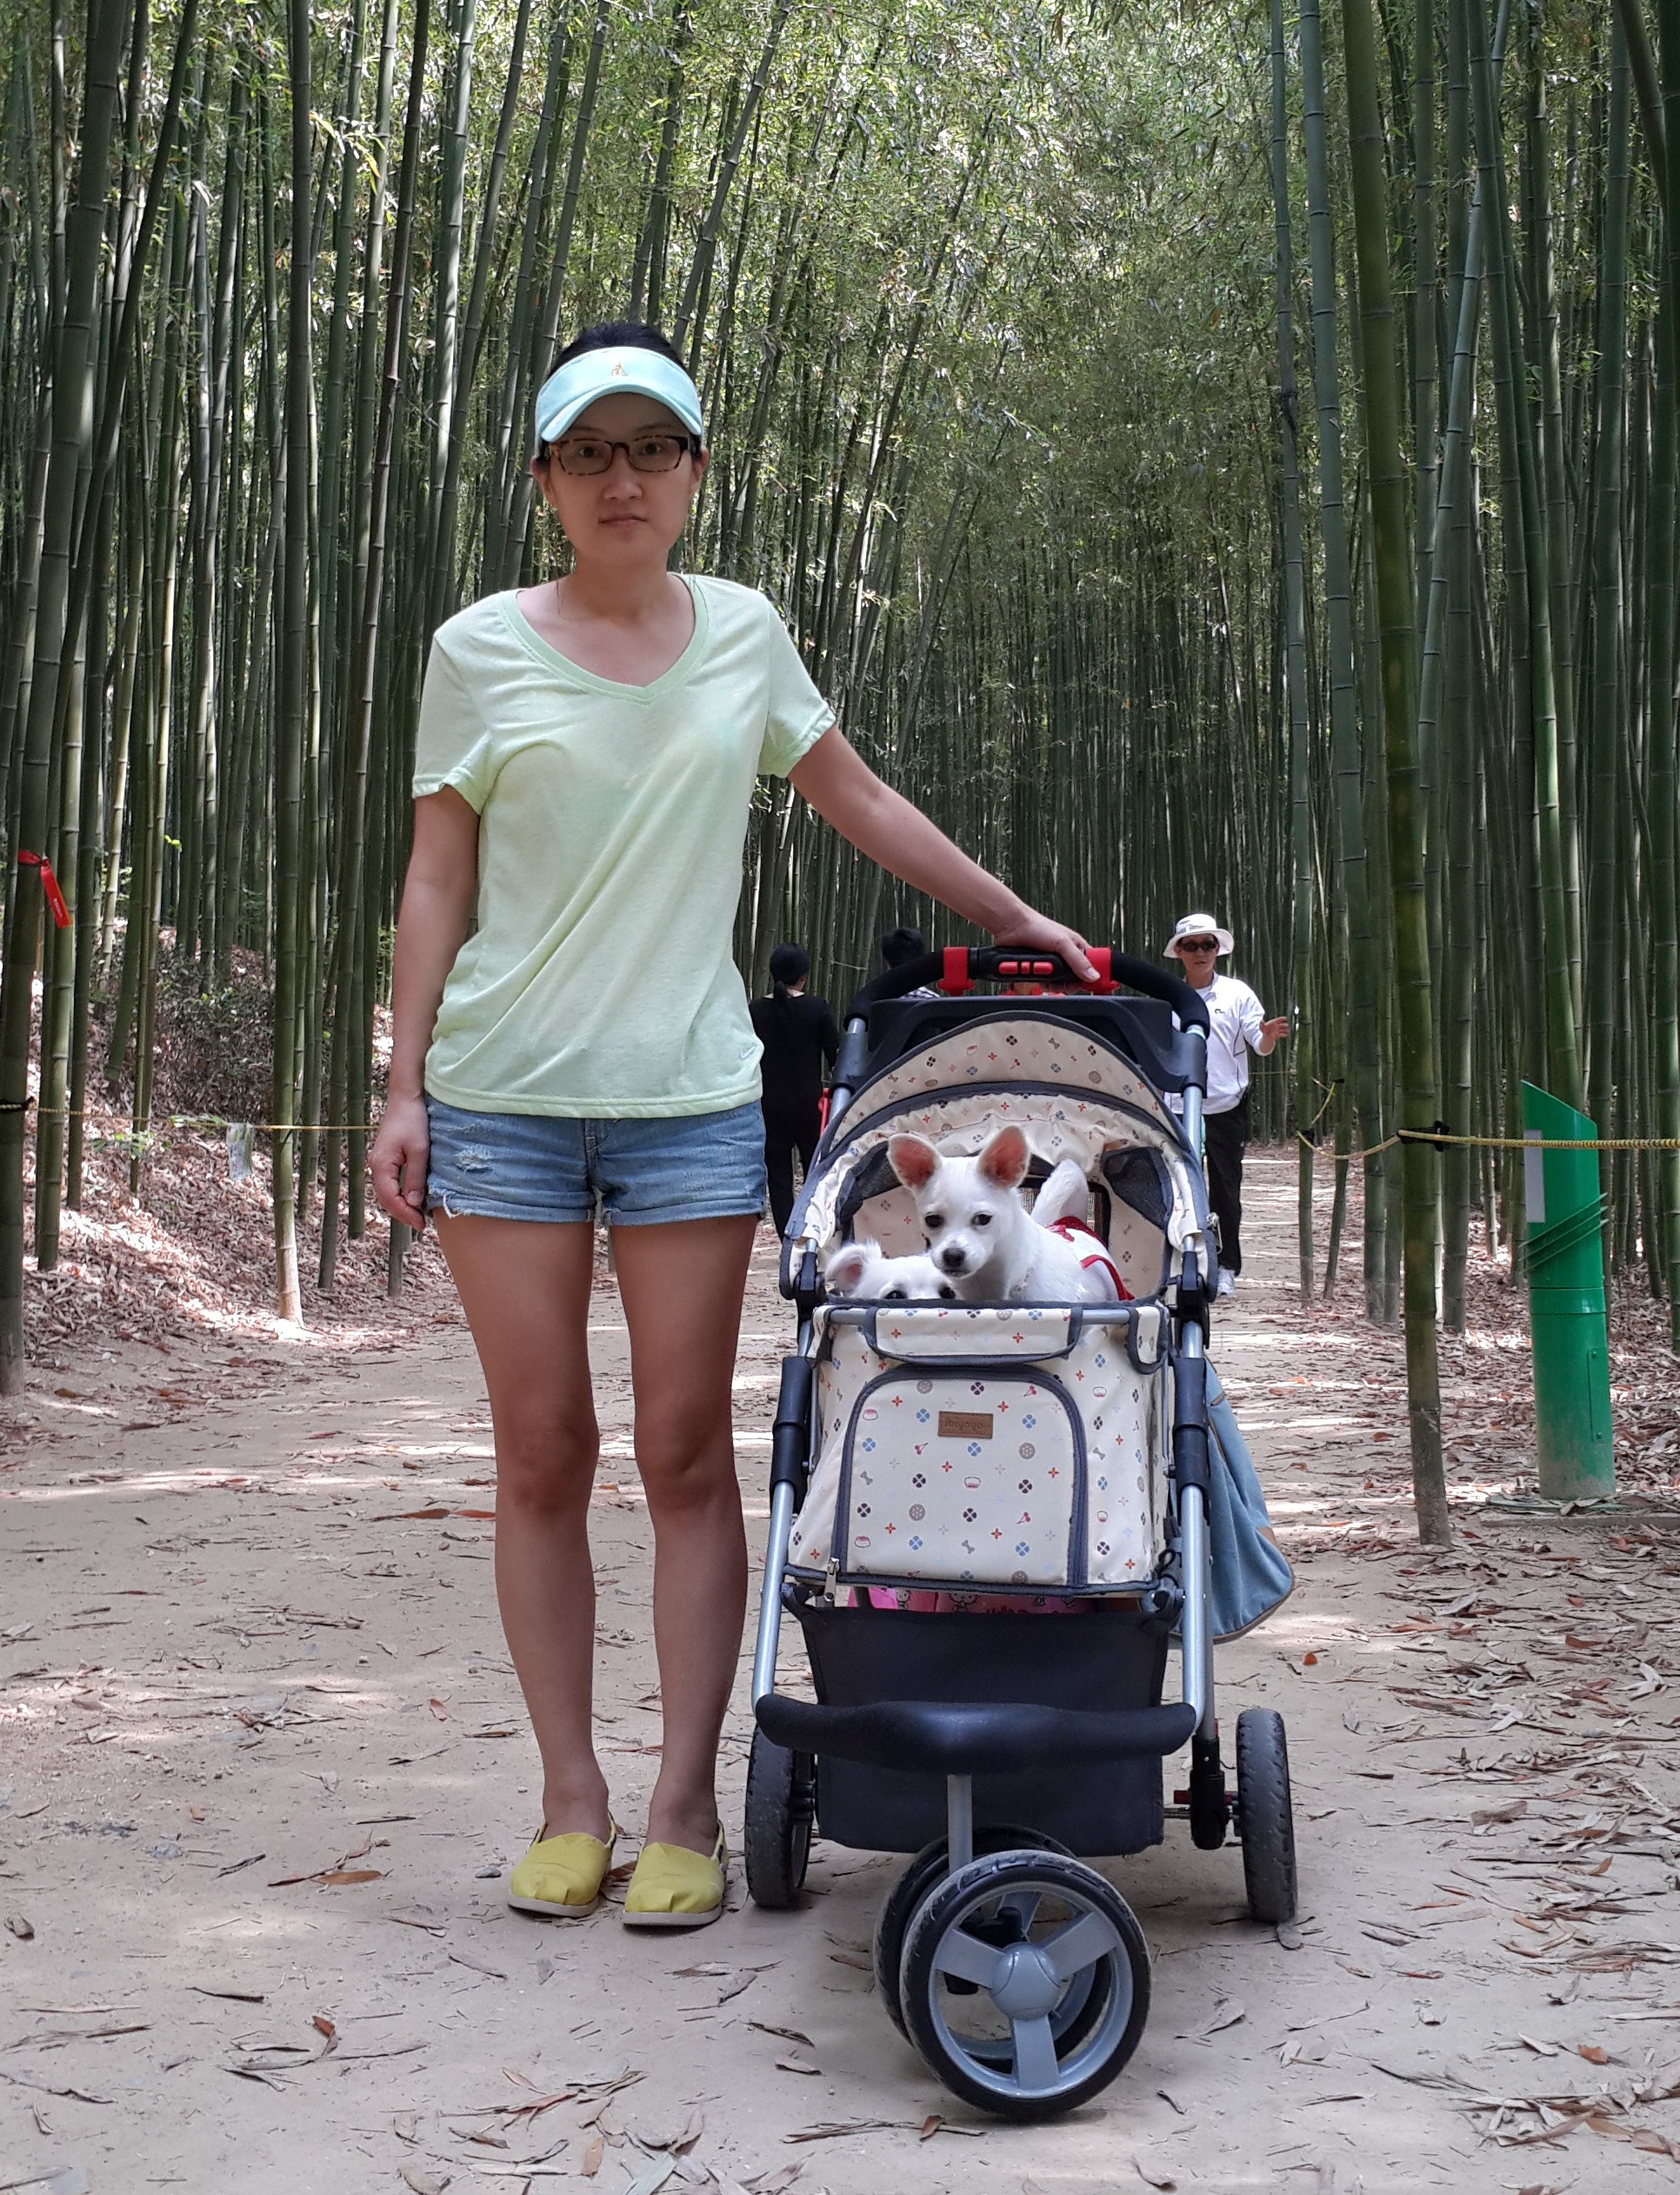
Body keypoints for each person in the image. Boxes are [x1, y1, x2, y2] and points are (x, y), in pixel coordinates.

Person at [369, 319, 1101, 1935]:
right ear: (545, 477)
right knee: (541, 1451)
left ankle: (688, 1798)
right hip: (502, 1100)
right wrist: (403, 1081)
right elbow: (436, 874)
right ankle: (571, 1799)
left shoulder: (746, 636)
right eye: (588, 452)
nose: (621, 479)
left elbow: (857, 794)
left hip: (692, 1101)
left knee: (688, 1454)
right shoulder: (476, 646)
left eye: (652, 449)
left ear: (694, 470)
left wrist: (1020, 917)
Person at [1165, 910, 1290, 1297]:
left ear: (1218, 949)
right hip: (1176, 1108)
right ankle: (1174, 1265)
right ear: (1180, 952)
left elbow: (1261, 1045)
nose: (1200, 951)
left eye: (1208, 944)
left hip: (1224, 1107)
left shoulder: (1237, 994)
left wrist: (1268, 1036)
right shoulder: (1166, 996)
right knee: (1176, 1190)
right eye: (1191, 945)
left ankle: (1225, 1266)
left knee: (1225, 1189)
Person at [751, 943, 838, 1235]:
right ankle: (813, 1230)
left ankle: (788, 1237)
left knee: (778, 1176)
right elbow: (837, 1056)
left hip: (768, 1104)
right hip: (809, 1105)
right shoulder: (817, 1008)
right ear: (804, 976)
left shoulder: (755, 1011)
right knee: (816, 1169)